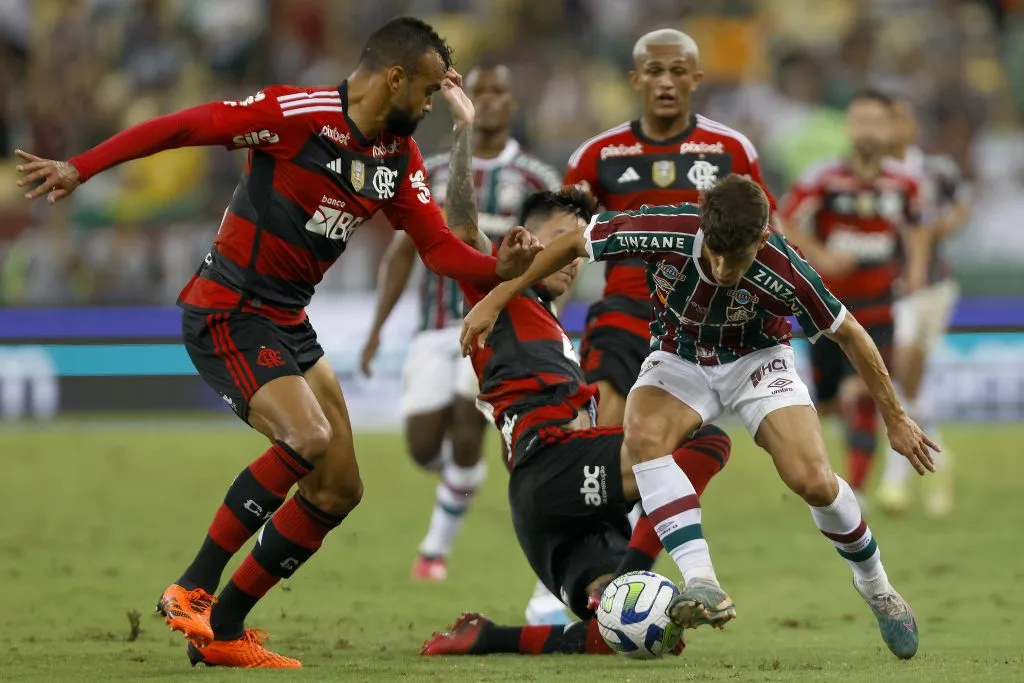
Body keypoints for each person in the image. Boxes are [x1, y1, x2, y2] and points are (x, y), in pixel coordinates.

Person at [15, 17, 541, 669]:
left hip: (288, 320)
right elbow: (187, 126)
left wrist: (503, 270)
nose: (434, 105)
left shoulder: (394, 159)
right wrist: (81, 167)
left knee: (339, 487)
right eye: (430, 92)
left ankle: (225, 630)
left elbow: (437, 249)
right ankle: (193, 586)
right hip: (228, 308)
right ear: (395, 78)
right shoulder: (295, 115)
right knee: (307, 438)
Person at [461, 175, 938, 660]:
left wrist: (896, 419)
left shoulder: (786, 269)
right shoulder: (663, 227)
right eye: (715, 252)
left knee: (812, 479)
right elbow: (573, 241)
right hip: (679, 358)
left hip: (757, 361)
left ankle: (877, 588)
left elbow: (852, 334)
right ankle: (701, 581)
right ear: (703, 224)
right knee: (643, 437)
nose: (723, 267)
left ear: (763, 238)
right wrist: (499, 296)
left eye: (739, 257)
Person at [416, 187, 732, 656]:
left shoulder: (552, 327)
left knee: (619, 633)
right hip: (553, 464)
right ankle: (641, 574)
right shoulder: (499, 293)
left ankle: (486, 638)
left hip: (546, 502)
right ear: (521, 239)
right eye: (561, 239)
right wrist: (465, 127)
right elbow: (462, 227)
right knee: (706, 442)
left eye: (577, 246)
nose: (572, 257)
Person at [358, 65, 564, 620]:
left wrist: (547, 322)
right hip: (434, 327)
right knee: (425, 446)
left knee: (471, 417)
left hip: (499, 326)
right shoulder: (433, 169)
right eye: (484, 91)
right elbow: (403, 253)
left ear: (514, 101)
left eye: (502, 90)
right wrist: (378, 329)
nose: (493, 100)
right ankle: (463, 482)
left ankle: (436, 550)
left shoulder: (537, 178)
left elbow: (561, 254)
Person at [564, 28, 774, 427]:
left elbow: (765, 233)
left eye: (677, 71)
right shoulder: (596, 155)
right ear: (635, 79)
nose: (665, 81)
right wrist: (550, 310)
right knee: (604, 426)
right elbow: (567, 239)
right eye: (654, 70)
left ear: (695, 79)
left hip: (699, 317)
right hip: (625, 306)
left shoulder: (731, 150)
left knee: (668, 443)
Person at [778, 90, 931, 502]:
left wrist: (916, 268)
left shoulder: (906, 181)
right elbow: (783, 219)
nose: (868, 129)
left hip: (880, 303)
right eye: (860, 120)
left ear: (889, 129)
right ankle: (828, 453)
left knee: (862, 391)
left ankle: (856, 491)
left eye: (876, 121)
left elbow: (917, 228)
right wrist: (823, 254)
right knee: (828, 401)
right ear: (849, 127)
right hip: (827, 305)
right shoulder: (823, 178)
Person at [876, 97, 970, 516]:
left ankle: (903, 473)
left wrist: (941, 228)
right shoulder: (873, 176)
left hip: (932, 286)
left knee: (907, 374)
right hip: (887, 287)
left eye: (901, 118)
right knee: (904, 373)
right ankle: (928, 461)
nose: (895, 127)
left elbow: (962, 202)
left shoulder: (935, 170)